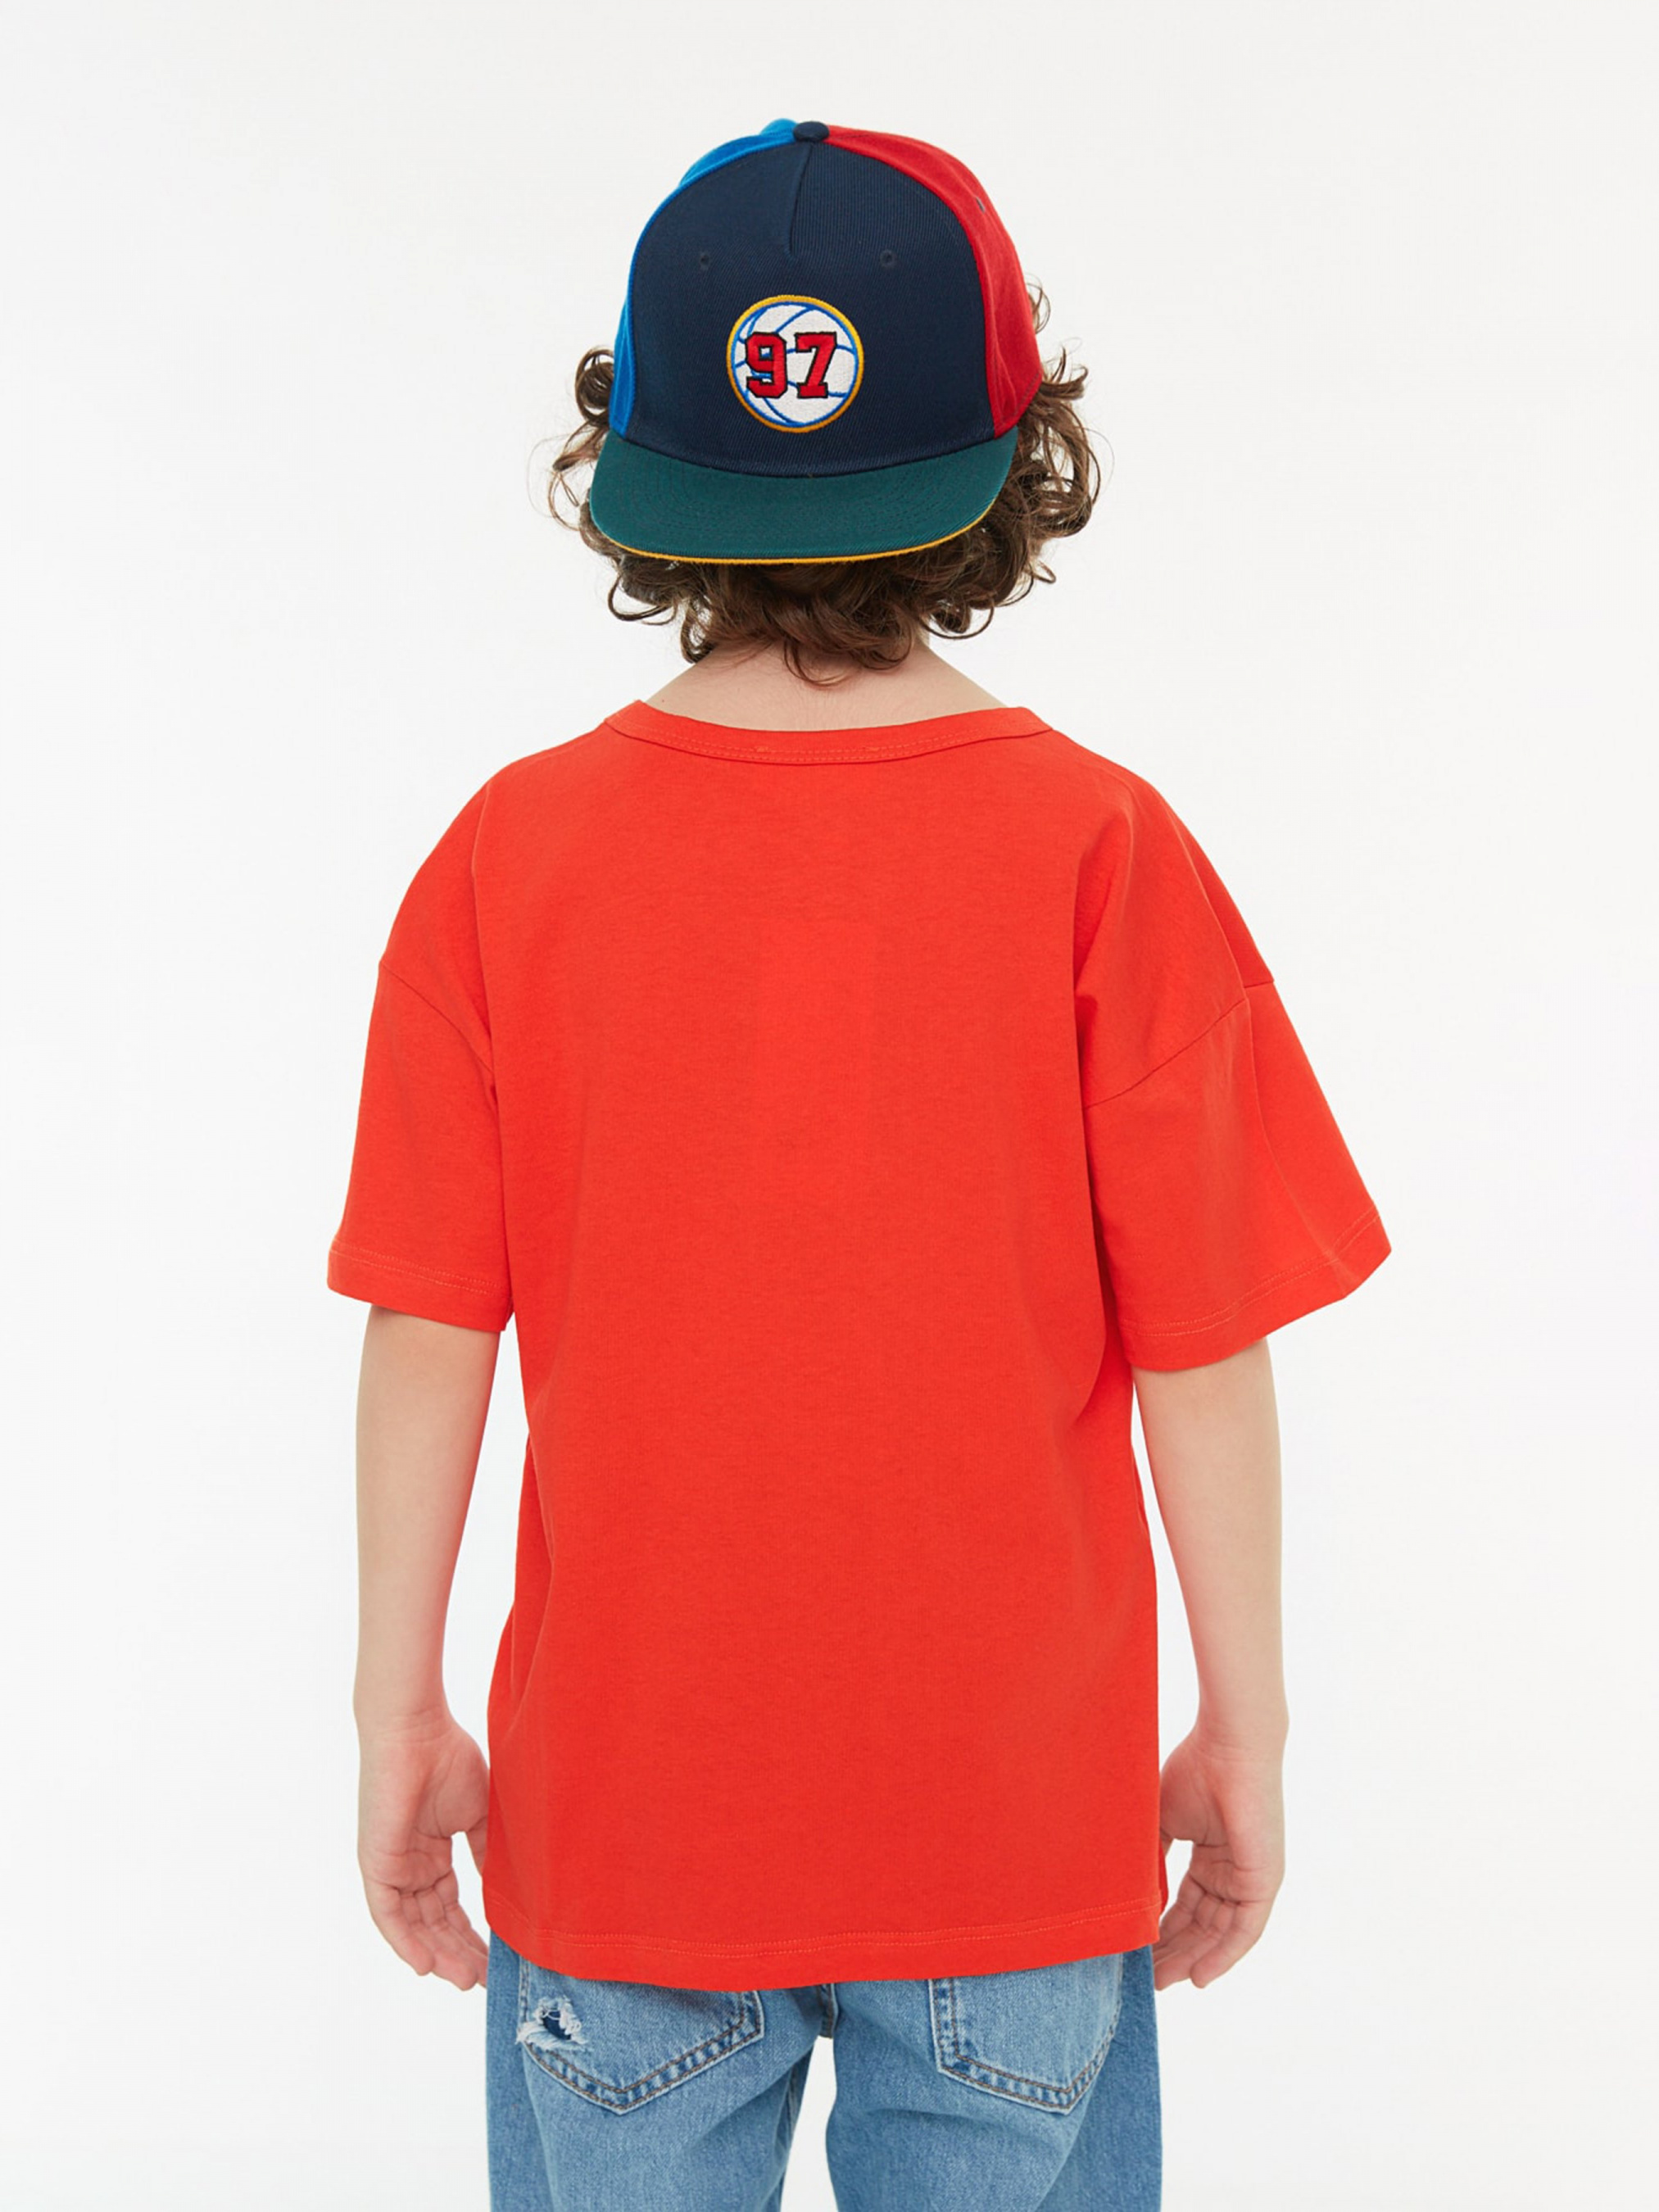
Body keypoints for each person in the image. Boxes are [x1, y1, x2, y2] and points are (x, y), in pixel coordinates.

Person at [329, 118, 1391, 2212]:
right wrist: (1241, 1727)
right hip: (1013, 1836)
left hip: (623, 1835)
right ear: (1011, 461)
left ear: (637, 460)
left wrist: (399, 1710)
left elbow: (426, 1324)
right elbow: (1201, 1347)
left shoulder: (505, 861)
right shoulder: (1102, 851)